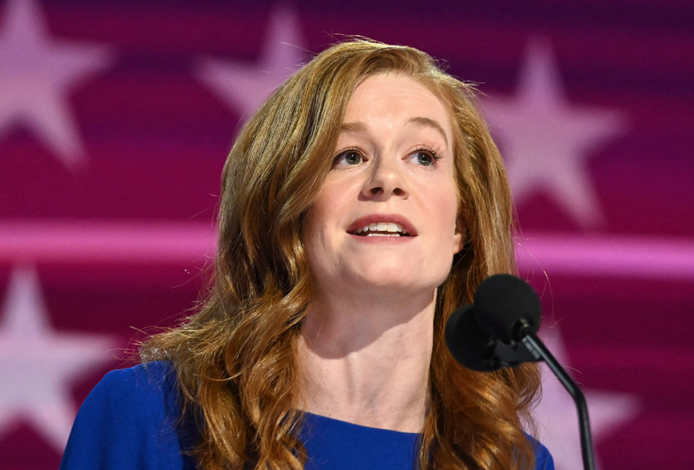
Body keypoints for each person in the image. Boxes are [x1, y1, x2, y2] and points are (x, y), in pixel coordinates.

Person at [59, 39, 554, 470]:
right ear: (288, 211)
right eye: (349, 156)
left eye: (423, 156)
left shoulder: (506, 461)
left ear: (460, 225)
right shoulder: (152, 417)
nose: (387, 179)